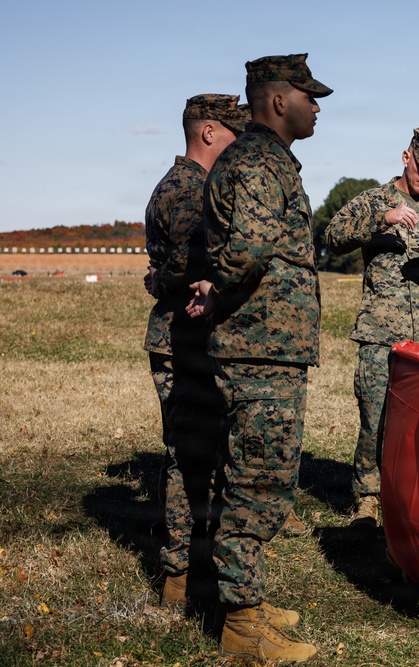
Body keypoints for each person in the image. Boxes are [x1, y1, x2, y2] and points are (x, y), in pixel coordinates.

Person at [187, 53, 332, 662]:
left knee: (263, 475)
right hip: (260, 348)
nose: (317, 107)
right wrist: (222, 286)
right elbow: (245, 251)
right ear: (279, 100)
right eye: (309, 96)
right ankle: (242, 624)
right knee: (256, 480)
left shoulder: (269, 161)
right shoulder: (254, 163)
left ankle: (248, 597)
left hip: (271, 346)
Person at [324, 128, 419, 527]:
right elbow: (332, 235)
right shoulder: (374, 200)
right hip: (381, 333)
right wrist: (382, 219)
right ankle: (368, 499)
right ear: (406, 157)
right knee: (375, 418)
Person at [144, 94, 246, 610]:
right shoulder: (189, 190)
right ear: (208, 132)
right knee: (190, 459)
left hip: (191, 337)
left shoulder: (186, 184)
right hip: (185, 339)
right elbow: (189, 268)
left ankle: (195, 572)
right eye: (232, 132)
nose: (238, 142)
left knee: (199, 455)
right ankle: (182, 575)